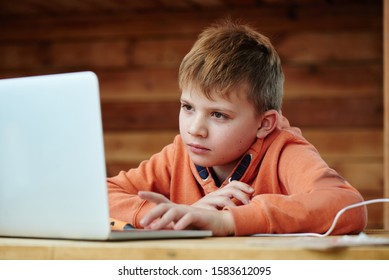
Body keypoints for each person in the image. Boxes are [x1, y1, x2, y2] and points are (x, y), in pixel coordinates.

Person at [107, 19, 367, 236]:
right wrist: (163, 216)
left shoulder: (285, 151)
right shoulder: (177, 155)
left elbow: (348, 206)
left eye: (218, 114)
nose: (195, 129)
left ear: (264, 124)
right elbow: (100, 195)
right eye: (188, 107)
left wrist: (227, 221)